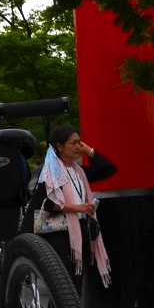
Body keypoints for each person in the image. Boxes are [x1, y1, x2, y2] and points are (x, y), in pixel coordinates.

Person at [26, 125, 115, 291]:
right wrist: (78, 208)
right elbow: (48, 203)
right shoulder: (51, 172)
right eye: (73, 143)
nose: (77, 147)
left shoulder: (78, 171)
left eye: (79, 143)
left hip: (79, 231)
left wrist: (89, 151)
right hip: (60, 233)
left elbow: (108, 169)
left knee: (76, 285)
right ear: (59, 147)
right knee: (64, 286)